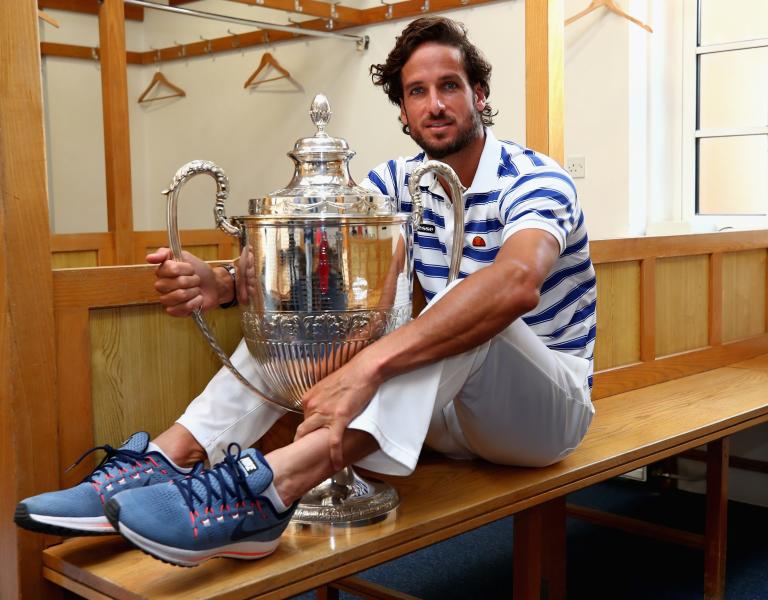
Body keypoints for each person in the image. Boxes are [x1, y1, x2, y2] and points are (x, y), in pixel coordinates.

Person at [14, 16, 597, 567]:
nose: (435, 104)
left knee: (466, 301)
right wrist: (219, 282)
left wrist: (367, 370)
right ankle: (169, 457)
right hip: (439, 412)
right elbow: (326, 277)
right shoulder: (392, 183)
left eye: (450, 85)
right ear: (402, 109)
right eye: (416, 92)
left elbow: (516, 284)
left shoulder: (534, 176)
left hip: (541, 413)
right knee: (319, 319)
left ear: (480, 94)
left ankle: (272, 488)